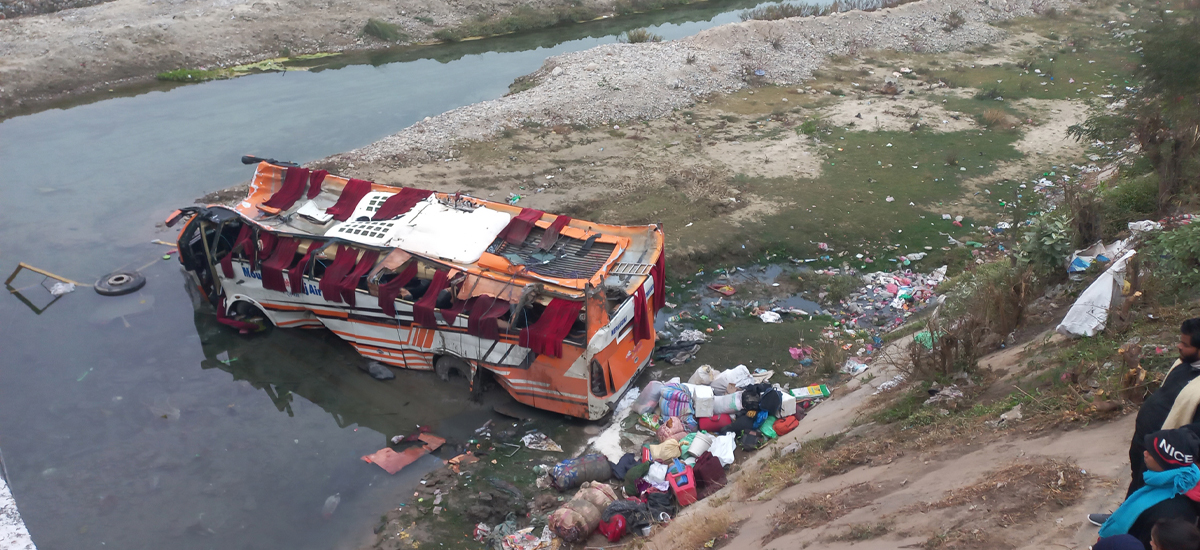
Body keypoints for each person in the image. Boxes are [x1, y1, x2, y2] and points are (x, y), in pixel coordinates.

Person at [1092, 319, 1200, 526]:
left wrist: (1166, 448)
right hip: (1147, 439)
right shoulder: (1184, 364)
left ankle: (1138, 527)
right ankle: (1123, 516)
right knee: (1138, 479)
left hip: (1166, 451)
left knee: (1154, 490)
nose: (1179, 346)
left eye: (1185, 344)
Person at [1098, 429, 1200, 549]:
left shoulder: (1168, 511)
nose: (1145, 453)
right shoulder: (1165, 482)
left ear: (1165, 462)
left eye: (1151, 453)